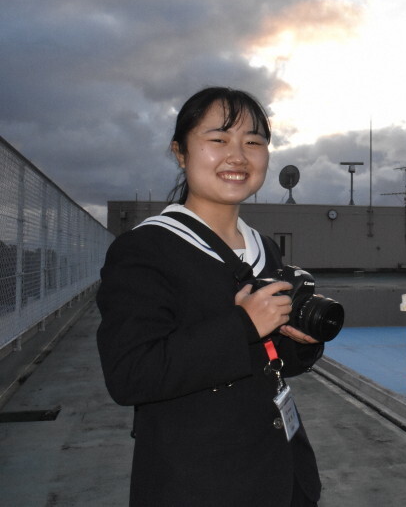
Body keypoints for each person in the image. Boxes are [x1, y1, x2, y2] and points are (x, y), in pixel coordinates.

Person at [97, 87, 323, 506]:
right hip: (198, 483)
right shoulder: (145, 249)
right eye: (218, 139)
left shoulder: (263, 247)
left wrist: (298, 344)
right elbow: (130, 374)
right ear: (180, 152)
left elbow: (265, 361)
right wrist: (243, 326)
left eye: (254, 142)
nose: (238, 155)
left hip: (281, 475)